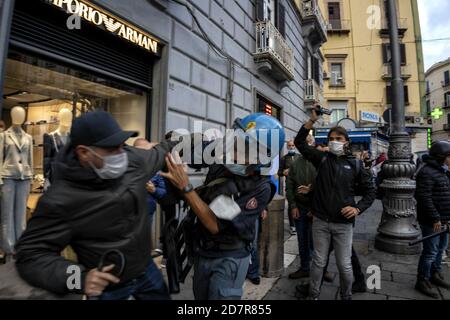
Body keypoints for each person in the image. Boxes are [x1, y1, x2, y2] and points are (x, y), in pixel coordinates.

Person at [15, 111, 177, 300]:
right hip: (108, 288)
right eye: (111, 149)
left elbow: (160, 152)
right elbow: (30, 255)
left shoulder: (132, 160)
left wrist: (193, 142)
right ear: (84, 153)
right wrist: (79, 279)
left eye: (121, 145)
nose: (121, 155)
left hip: (147, 271)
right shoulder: (60, 199)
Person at [160, 113, 284, 300]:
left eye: (245, 150)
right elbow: (190, 152)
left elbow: (215, 224)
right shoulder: (224, 158)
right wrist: (171, 145)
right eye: (236, 143)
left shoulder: (261, 187)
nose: (233, 153)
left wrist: (186, 187)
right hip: (203, 252)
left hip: (228, 258)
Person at [295, 107, 376, 300]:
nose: (334, 142)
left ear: (346, 142)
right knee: (318, 261)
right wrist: (311, 121)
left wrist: (357, 208)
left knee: (344, 264)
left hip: (343, 224)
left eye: (339, 139)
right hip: (321, 222)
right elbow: (299, 143)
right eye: (331, 138)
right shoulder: (321, 158)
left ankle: (346, 295)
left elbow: (371, 192)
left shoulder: (355, 165)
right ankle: (313, 295)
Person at [414, 141, 450, 298]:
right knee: (430, 251)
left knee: (441, 249)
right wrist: (436, 218)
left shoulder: (442, 171)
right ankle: (422, 280)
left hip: (444, 219)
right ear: (442, 156)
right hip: (432, 221)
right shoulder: (427, 172)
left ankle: (435, 274)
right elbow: (424, 198)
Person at [286, 150, 317, 279]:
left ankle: (319, 270)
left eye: (309, 142)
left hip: (316, 210)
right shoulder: (295, 163)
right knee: (302, 240)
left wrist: (316, 208)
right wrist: (293, 206)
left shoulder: (319, 162)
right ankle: (304, 268)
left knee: (316, 242)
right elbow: (289, 186)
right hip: (300, 208)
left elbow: (325, 187)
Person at [278, 140, 301, 235]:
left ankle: (299, 223)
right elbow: (279, 172)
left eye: (292, 145)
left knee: (299, 204)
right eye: (289, 146)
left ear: (295, 147)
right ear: (287, 147)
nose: (291, 147)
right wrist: (283, 172)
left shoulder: (299, 157)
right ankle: (292, 226)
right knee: (291, 205)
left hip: (299, 184)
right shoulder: (284, 158)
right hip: (289, 185)